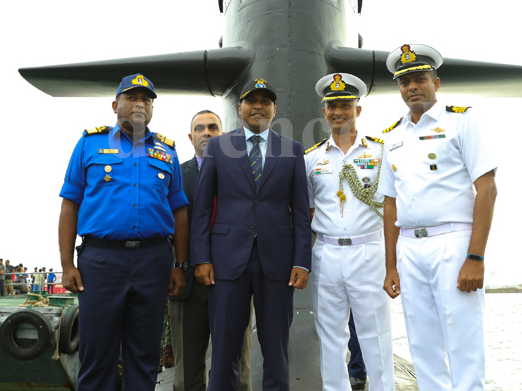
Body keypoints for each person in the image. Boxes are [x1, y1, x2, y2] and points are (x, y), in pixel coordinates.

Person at [58, 73, 189, 391]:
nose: (140, 104)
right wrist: (66, 265)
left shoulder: (167, 151)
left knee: (145, 356)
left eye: (146, 99)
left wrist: (179, 265)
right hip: (101, 261)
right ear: (116, 104)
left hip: (154, 261)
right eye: (132, 97)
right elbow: (69, 206)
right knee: (97, 355)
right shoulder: (90, 143)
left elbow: (180, 212)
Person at [380, 44, 498, 391]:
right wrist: (391, 266)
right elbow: (390, 205)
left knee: (463, 338)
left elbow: (487, 189)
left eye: (419, 79)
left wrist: (475, 256)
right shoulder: (392, 136)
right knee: (422, 342)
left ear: (436, 82)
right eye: (404, 83)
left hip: (453, 242)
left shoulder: (462, 120)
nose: (411, 87)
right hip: (410, 248)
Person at [191, 79, 312, 391]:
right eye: (251, 101)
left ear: (274, 109)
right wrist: (201, 258)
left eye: (266, 101)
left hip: (278, 262)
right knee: (224, 348)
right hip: (227, 260)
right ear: (239, 107)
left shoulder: (292, 150)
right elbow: (202, 209)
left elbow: (300, 213)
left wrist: (302, 262)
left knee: (276, 347)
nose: (259, 106)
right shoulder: (218, 146)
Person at [303, 73, 394, 391]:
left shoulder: (382, 153)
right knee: (330, 337)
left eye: (345, 104)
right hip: (327, 253)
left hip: (368, 252)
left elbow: (393, 209)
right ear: (324, 111)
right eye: (332, 106)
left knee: (375, 336)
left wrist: (393, 264)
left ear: (358, 109)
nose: (338, 111)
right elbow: (310, 209)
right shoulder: (311, 159)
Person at [168, 110, 253, 391]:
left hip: (234, 278)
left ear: (223, 135)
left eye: (213, 127)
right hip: (188, 282)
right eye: (200, 128)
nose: (207, 132)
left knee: (237, 367)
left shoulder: (245, 172)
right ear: (190, 137)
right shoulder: (175, 175)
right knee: (187, 371)